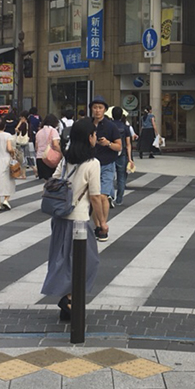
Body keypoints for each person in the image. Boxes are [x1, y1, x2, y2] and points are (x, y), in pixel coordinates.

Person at [41, 117, 106, 321]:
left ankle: (67, 307)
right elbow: (95, 196)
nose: (96, 137)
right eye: (94, 134)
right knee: (88, 263)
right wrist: (101, 223)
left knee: (63, 261)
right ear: (89, 137)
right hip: (78, 219)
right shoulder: (92, 163)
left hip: (59, 217)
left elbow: (54, 179)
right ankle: (69, 299)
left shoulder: (66, 159)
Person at [90, 96, 121, 239]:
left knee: (103, 196)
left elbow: (118, 146)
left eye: (100, 108)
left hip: (107, 164)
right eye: (95, 107)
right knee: (94, 197)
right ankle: (98, 226)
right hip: (90, 165)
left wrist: (107, 143)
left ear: (105, 110)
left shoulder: (111, 126)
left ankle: (103, 225)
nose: (97, 110)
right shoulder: (86, 125)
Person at [111, 106, 131, 206]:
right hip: (122, 154)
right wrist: (130, 158)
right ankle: (119, 199)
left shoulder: (109, 126)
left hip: (110, 152)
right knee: (121, 177)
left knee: (109, 176)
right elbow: (128, 144)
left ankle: (109, 196)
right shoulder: (125, 127)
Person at [36, 113, 62, 180]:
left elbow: (36, 146)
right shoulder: (53, 131)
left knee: (46, 180)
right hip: (49, 158)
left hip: (39, 158)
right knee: (52, 179)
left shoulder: (39, 132)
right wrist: (62, 153)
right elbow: (55, 145)